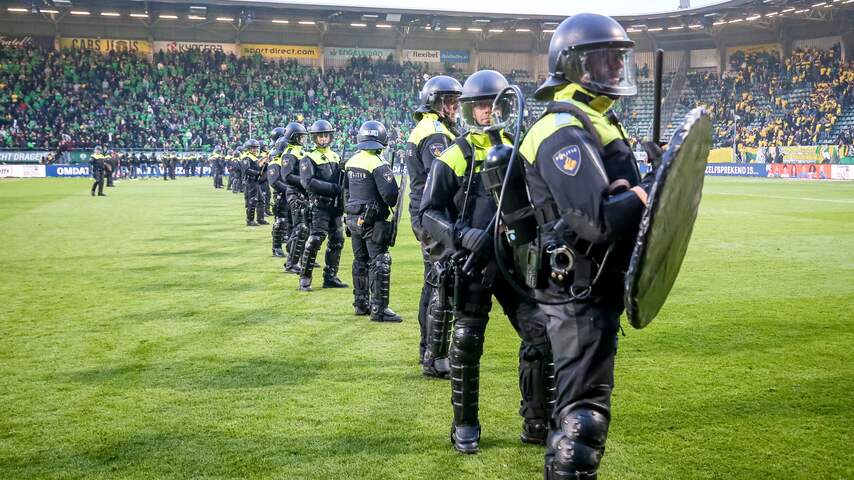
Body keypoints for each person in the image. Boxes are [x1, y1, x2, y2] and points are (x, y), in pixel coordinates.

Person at [519, 13, 657, 479]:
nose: (616, 69)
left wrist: (635, 187)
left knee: (580, 413)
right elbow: (596, 221)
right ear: (571, 64)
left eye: (619, 59)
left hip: (589, 288)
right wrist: (648, 191)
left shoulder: (592, 119)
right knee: (582, 423)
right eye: (603, 59)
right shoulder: (562, 127)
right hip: (575, 292)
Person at [419, 70, 553, 454]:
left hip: (517, 264)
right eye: (479, 106)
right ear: (467, 111)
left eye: (492, 105)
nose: (486, 113)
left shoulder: (523, 149)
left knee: (541, 336)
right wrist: (462, 236)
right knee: (466, 342)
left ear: (506, 106)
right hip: (472, 264)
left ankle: (537, 421)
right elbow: (430, 213)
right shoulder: (455, 154)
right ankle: (465, 426)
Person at [405, 75, 463, 378]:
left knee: (433, 282)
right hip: (434, 217)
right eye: (450, 101)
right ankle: (434, 356)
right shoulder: (435, 133)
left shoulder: (431, 129)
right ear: (436, 103)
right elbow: (438, 176)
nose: (455, 107)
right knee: (441, 285)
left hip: (425, 215)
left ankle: (427, 349)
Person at [344, 121, 402, 321]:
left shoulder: (351, 161)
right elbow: (391, 196)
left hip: (353, 220)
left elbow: (345, 192)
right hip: (372, 220)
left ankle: (361, 304)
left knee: (360, 261)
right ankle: (379, 310)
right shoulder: (378, 163)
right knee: (379, 261)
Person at [298, 120, 348, 291]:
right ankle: (305, 278)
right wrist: (333, 188)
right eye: (320, 136)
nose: (324, 139)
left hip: (335, 207)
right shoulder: (308, 158)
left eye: (326, 135)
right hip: (319, 206)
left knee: (337, 241)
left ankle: (330, 276)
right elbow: (307, 182)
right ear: (314, 138)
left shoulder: (335, 156)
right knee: (315, 240)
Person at [279, 123, 311, 274]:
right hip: (295, 193)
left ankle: (297, 258)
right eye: (301, 136)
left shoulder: (301, 151)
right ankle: (291, 263)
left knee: (304, 228)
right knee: (300, 228)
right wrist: (306, 180)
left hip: (304, 193)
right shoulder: (290, 153)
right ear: (294, 137)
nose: (303, 139)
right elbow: (287, 176)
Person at [268, 136, 291, 257]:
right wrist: (290, 189)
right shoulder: (275, 162)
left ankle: (291, 249)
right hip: (281, 195)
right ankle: (276, 247)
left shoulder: (289, 161)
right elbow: (274, 182)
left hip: (292, 195)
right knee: (281, 221)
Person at [240, 139, 267, 226]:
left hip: (255, 181)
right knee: (252, 200)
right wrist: (258, 173)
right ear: (248, 149)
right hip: (249, 181)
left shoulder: (254, 157)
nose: (255, 149)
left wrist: (264, 165)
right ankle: (250, 220)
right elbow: (247, 170)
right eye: (253, 148)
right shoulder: (246, 157)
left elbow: (258, 168)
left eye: (256, 148)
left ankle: (260, 219)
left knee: (261, 199)